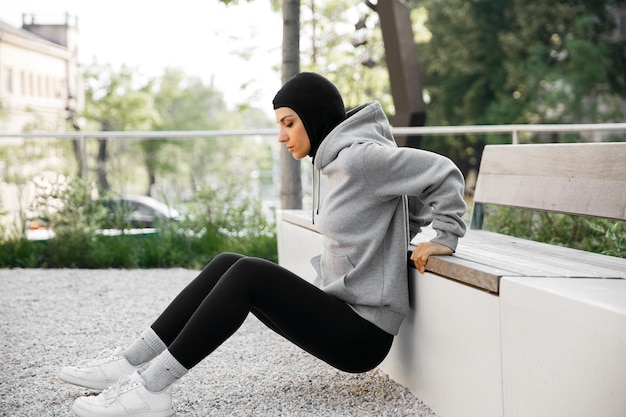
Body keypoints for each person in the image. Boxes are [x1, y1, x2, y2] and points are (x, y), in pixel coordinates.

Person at [60, 72, 467, 417]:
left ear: (314, 118)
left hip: (362, 335)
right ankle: (130, 361)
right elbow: (407, 197)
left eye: (288, 123)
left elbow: (443, 172)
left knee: (249, 274)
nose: (281, 136)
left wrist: (444, 236)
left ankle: (151, 390)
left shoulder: (361, 158)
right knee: (228, 261)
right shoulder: (334, 162)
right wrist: (404, 228)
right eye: (279, 125)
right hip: (342, 310)